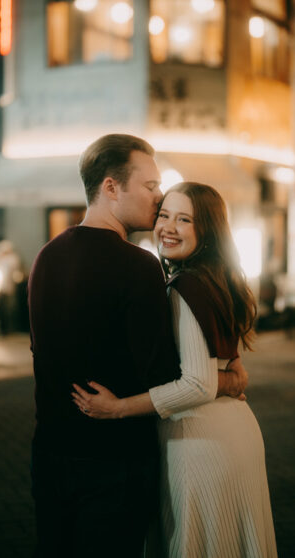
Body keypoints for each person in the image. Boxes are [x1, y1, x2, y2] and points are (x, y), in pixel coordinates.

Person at [28, 136, 246, 558]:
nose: (159, 196)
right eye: (150, 186)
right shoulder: (136, 266)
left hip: (50, 453)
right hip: (114, 463)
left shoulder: (46, 256)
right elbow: (165, 377)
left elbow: (42, 351)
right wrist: (228, 378)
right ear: (111, 188)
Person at [73, 182, 277, 558]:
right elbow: (228, 367)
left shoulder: (186, 286)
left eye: (184, 219)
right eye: (164, 215)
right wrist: (231, 380)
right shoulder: (218, 279)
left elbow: (197, 384)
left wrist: (118, 407)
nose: (168, 227)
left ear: (207, 231)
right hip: (236, 433)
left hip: (199, 438)